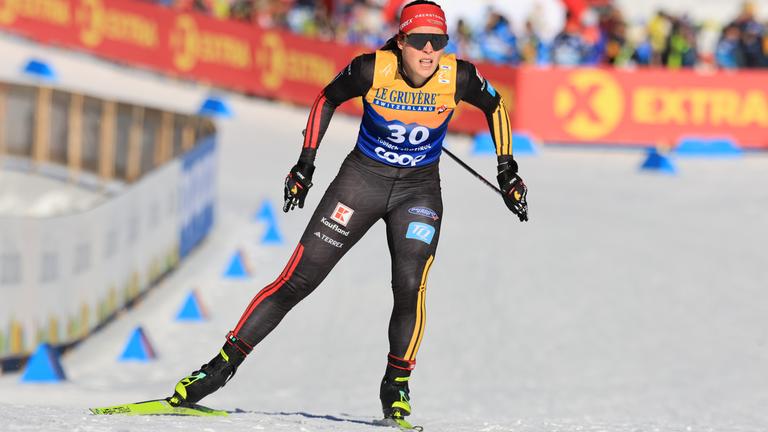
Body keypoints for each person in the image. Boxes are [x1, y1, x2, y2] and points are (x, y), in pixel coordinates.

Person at [166, 0, 528, 426]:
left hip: (418, 191)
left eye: (439, 42)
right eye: (419, 41)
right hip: (362, 182)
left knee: (410, 284)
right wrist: (305, 164)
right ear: (400, 40)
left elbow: (496, 106)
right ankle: (220, 367)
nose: (429, 51)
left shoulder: (457, 75)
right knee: (298, 280)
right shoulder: (371, 68)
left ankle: (396, 385)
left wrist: (507, 169)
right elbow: (325, 99)